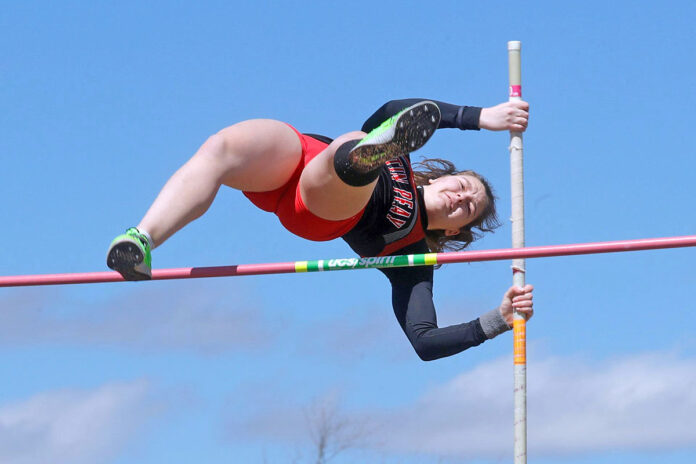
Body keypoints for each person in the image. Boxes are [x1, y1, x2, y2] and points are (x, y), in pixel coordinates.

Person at [107, 98, 534, 361]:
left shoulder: (414, 256)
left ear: (456, 234)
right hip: (296, 156)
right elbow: (394, 109)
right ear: (439, 176)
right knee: (221, 150)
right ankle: (142, 240)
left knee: (348, 151)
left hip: (320, 207)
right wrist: (478, 117)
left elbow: (424, 342)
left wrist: (497, 320)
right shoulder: (403, 160)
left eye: (467, 210)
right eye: (462, 187)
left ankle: (361, 158)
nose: (461, 199)